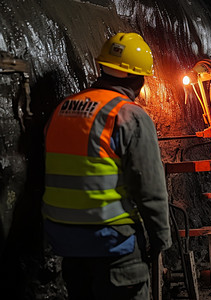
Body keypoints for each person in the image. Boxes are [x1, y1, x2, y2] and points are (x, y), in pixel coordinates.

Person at [42, 32, 171, 299]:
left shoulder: (61, 109)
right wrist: (160, 239)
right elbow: (149, 187)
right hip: (111, 240)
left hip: (64, 239)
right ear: (138, 79)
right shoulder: (127, 114)